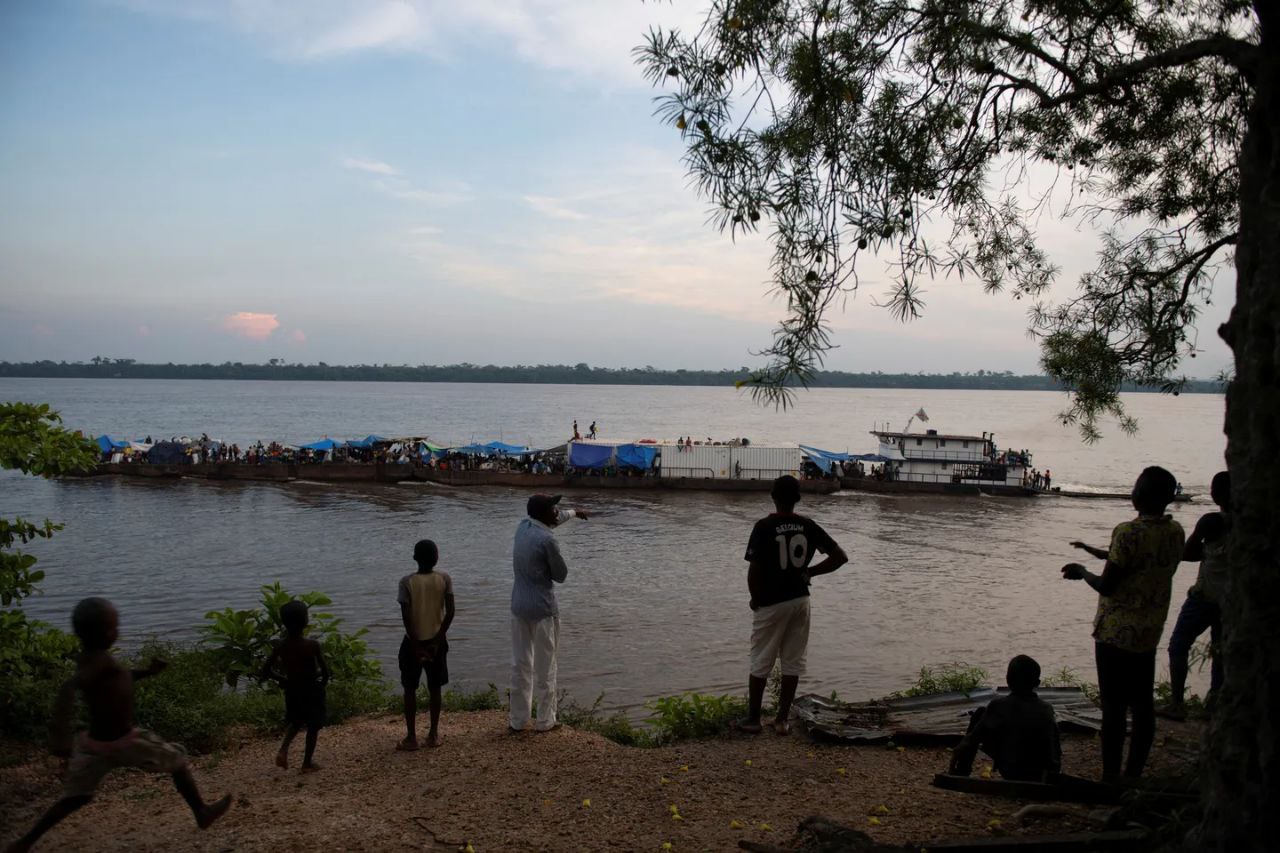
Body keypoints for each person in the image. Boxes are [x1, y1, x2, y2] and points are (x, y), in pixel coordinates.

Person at [8, 599, 230, 852]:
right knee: (177, 762)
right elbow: (71, 687)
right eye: (114, 627)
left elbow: (120, 677)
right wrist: (60, 735)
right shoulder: (96, 664)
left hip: (95, 745)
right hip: (126, 741)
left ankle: (25, 842)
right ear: (104, 633)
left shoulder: (97, 660)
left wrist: (147, 672)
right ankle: (201, 811)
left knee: (75, 797)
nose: (118, 631)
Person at [1063, 466, 1184, 781]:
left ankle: (1110, 779)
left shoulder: (1127, 532)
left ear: (1139, 495)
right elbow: (1139, 561)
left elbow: (1107, 586)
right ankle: (1133, 776)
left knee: (1113, 708)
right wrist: (1092, 550)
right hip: (1148, 631)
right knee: (1143, 705)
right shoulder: (1175, 532)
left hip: (1115, 633)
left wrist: (1082, 571)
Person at [739, 475, 847, 734]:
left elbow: (754, 571)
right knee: (793, 661)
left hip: (772, 601)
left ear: (773, 497)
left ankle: (753, 719)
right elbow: (840, 557)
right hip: (801, 600)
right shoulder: (808, 525)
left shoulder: (764, 526)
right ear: (797, 499)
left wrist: (755, 598)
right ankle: (782, 720)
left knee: (761, 659)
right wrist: (810, 572)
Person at [509, 494, 589, 732]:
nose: (557, 511)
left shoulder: (522, 527)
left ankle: (517, 721)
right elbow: (560, 575)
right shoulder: (547, 540)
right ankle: (545, 722)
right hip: (543, 610)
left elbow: (555, 519)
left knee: (520, 665)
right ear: (544, 514)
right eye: (553, 508)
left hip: (518, 607)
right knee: (546, 668)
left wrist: (574, 513)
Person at [1159, 471, 1231, 720]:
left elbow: (1188, 552)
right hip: (1232, 601)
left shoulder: (1211, 521)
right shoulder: (1251, 525)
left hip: (1204, 596)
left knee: (1179, 644)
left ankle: (1177, 703)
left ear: (1216, 494)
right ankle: (1215, 705)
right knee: (1220, 652)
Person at [949, 655, 1062, 782]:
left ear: (1008, 679)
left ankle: (962, 770)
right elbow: (1055, 745)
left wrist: (959, 751)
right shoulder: (1047, 708)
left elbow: (971, 740)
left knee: (980, 714)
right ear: (1037, 683)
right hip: (1043, 775)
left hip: (1013, 772)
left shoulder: (998, 706)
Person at [396, 540, 455, 750]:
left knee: (409, 689)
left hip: (412, 643)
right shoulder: (444, 579)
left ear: (414, 558)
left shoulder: (406, 582)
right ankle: (433, 734)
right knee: (435, 688)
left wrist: (416, 646)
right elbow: (450, 612)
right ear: (437, 558)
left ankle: (411, 738)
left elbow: (406, 618)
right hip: (436, 641)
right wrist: (438, 640)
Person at [261, 600, 329, 771]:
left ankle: (283, 750)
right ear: (305, 621)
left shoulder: (281, 645)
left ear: (284, 623)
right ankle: (307, 763)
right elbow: (325, 670)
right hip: (311, 690)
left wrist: (282, 679)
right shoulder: (312, 645)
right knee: (313, 727)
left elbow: (265, 670)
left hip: (292, 690)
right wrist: (322, 681)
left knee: (296, 721)